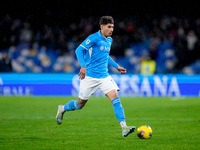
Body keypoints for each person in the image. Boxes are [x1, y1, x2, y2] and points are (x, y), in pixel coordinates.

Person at [56, 16, 135, 137]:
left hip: (104, 77)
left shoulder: (109, 40)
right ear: (102, 27)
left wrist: (116, 66)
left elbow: (105, 56)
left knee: (116, 99)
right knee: (80, 104)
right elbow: (78, 50)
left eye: (112, 27)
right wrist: (83, 65)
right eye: (109, 27)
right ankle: (62, 108)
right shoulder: (93, 38)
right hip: (90, 77)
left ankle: (124, 127)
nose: (111, 29)